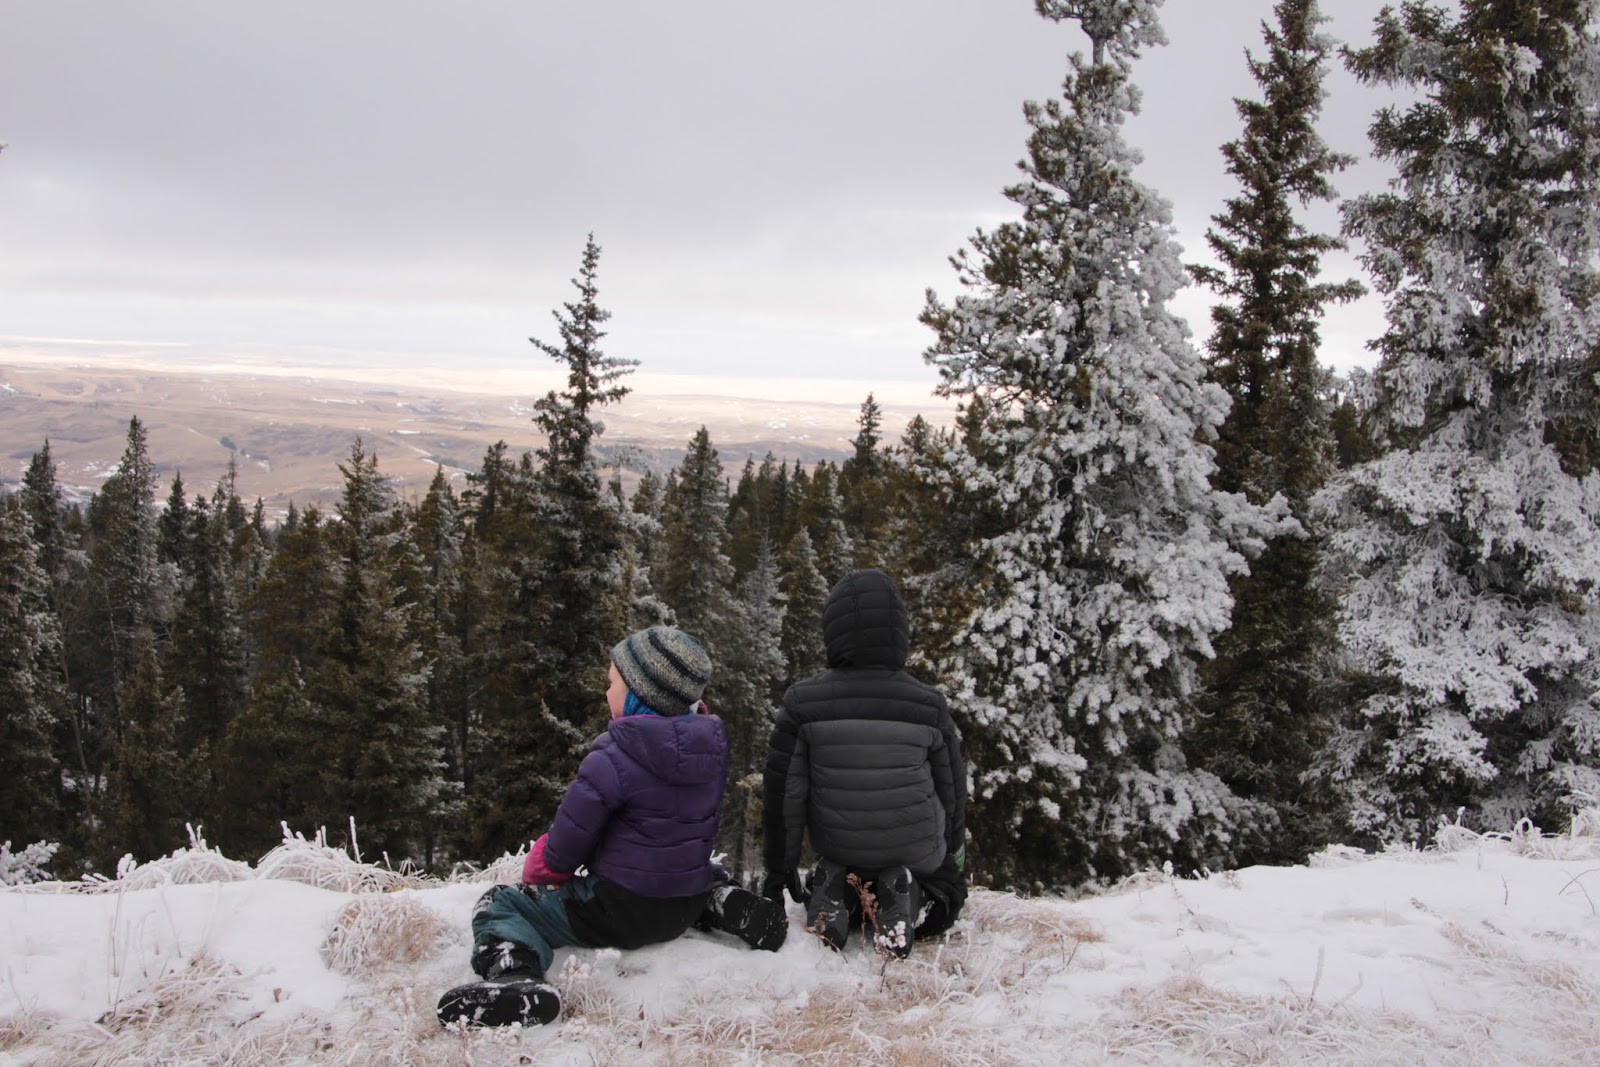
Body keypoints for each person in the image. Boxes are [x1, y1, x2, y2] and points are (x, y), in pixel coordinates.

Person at [437, 625, 786, 1029]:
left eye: (612, 683)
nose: (606, 692)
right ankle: (722, 901)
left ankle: (516, 976)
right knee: (700, 873)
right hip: (683, 901)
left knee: (501, 903)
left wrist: (542, 872)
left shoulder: (614, 754)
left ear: (640, 694)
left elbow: (568, 842)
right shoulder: (709, 751)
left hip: (619, 908)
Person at [760, 569, 968, 959]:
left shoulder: (802, 703)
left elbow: (783, 796)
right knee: (947, 901)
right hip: (915, 852)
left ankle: (835, 890)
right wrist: (952, 861)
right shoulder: (928, 705)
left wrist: (779, 870)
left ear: (833, 632)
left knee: (839, 868)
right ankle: (908, 894)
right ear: (899, 634)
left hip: (841, 845)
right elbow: (953, 793)